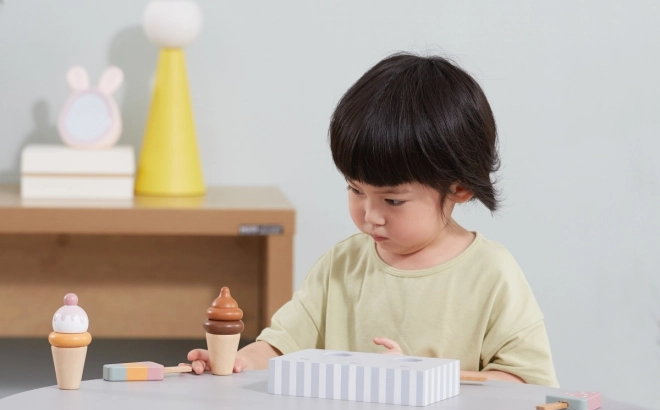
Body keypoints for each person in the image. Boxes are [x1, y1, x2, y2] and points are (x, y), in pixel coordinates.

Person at [184, 53, 559, 386]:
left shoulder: (492, 274)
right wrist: (241, 361)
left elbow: (527, 384)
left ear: (459, 188)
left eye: (393, 200)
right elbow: (284, 345)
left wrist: (421, 376)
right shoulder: (341, 265)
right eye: (355, 190)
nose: (369, 216)